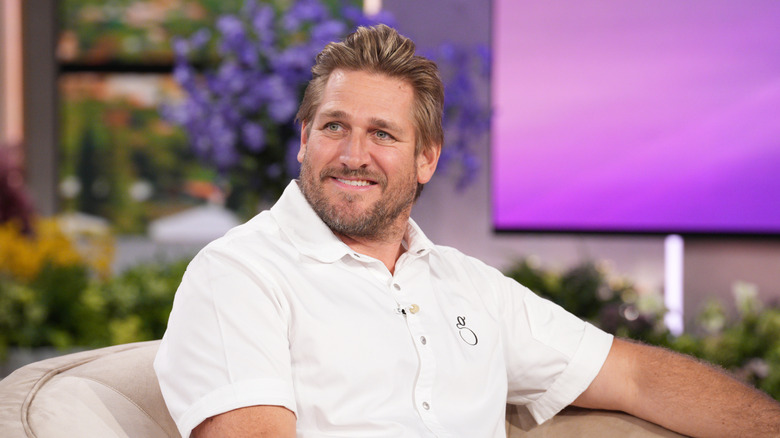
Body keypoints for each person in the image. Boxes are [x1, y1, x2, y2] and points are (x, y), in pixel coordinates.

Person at [154, 24, 780, 438]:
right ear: (303, 140)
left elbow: (637, 377)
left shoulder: (468, 286)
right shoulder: (238, 274)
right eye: (333, 126)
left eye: (382, 134)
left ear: (427, 158)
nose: (352, 154)